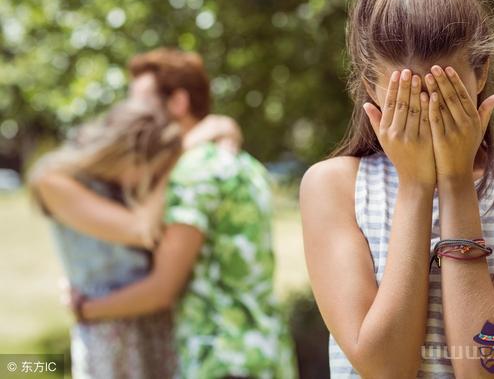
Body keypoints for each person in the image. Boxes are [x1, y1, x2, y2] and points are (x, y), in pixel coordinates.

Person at [300, 0, 494, 379]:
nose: (427, 114)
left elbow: (487, 368)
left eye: (442, 97)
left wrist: (455, 181)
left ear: (480, 72)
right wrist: (414, 186)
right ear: (371, 87)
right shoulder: (333, 187)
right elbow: (385, 369)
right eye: (407, 98)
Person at [37, 48, 298, 379]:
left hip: (221, 358)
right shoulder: (244, 164)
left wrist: (85, 309)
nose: (135, 113)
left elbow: (162, 286)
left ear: (177, 102)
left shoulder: (191, 174)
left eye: (142, 102)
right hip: (267, 351)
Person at [30, 99, 184, 378]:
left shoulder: (118, 187)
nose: (149, 180)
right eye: (153, 169)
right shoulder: (53, 180)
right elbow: (141, 231)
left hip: (153, 324)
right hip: (109, 329)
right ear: (128, 154)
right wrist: (181, 156)